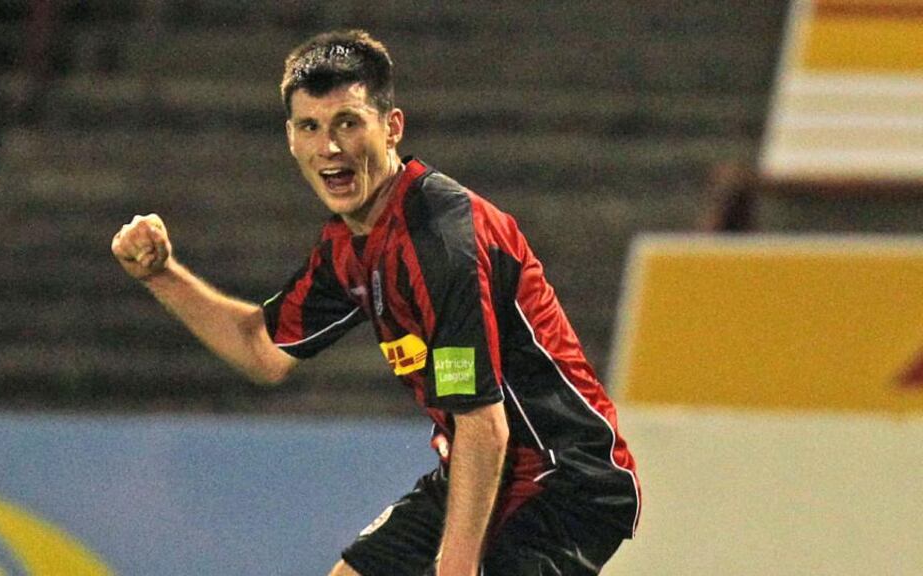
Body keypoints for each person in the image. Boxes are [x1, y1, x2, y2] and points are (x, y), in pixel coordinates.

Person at [111, 29, 640, 576]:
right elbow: (261, 349)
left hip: (564, 478)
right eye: (311, 127)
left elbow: (485, 423)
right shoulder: (350, 243)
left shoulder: (441, 239)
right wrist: (161, 275)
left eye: (348, 123)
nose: (329, 147)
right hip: (481, 469)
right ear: (290, 137)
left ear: (392, 128)